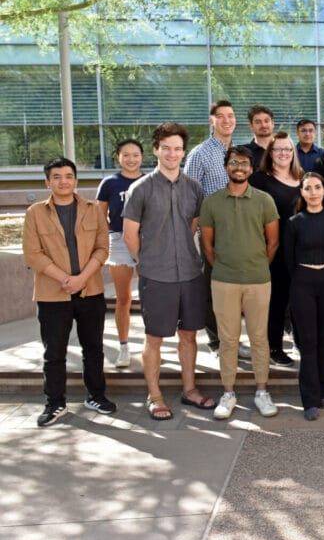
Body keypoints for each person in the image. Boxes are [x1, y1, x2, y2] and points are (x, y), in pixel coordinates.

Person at [123, 123, 213, 421]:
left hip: (189, 272)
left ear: (183, 152)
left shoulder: (194, 188)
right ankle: (155, 395)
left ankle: (189, 391)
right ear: (156, 150)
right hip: (156, 275)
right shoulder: (141, 188)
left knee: (189, 335)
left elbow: (193, 227)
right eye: (166, 148)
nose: (172, 154)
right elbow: (130, 234)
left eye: (177, 148)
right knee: (154, 338)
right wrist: (145, 260)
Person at [24, 157, 114, 427]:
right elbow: (32, 254)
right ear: (47, 181)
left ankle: (96, 396)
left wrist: (83, 277)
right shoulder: (35, 213)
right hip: (52, 294)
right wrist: (65, 278)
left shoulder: (92, 209)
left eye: (68, 176)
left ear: (75, 179)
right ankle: (55, 402)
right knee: (54, 352)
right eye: (56, 176)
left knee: (94, 348)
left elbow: (102, 247)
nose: (63, 181)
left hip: (90, 291)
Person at [200, 146, 280, 420]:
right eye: (234, 162)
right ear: (226, 167)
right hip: (224, 280)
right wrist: (225, 266)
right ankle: (229, 393)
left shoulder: (264, 200)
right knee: (228, 340)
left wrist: (256, 265)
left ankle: (261, 392)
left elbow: (273, 242)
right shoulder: (212, 202)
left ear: (251, 168)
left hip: (258, 280)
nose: (239, 167)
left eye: (244, 163)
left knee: (259, 338)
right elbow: (207, 245)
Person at [184, 100, 245, 356]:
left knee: (235, 292)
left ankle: (233, 339)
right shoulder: (199, 154)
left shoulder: (239, 152)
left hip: (239, 234)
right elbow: (188, 196)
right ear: (212, 121)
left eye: (231, 116)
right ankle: (217, 341)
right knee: (213, 289)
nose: (227, 120)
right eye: (221, 116)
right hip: (211, 233)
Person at [283, 173, 324, 420]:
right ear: (302, 192)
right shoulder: (294, 222)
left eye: (318, 187)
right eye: (308, 188)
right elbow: (288, 261)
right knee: (307, 342)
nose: (314, 192)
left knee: (323, 339)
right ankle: (309, 399)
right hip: (303, 285)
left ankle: (323, 389)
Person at [250, 132, 303, 367]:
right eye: (278, 149)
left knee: (300, 301)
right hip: (273, 251)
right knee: (277, 301)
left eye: (288, 149)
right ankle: (274, 347)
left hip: (302, 252)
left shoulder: (303, 178)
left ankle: (301, 342)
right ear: (270, 153)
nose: (283, 153)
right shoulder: (260, 180)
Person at [96, 138, 144, 368]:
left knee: (152, 297)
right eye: (126, 154)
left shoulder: (149, 181)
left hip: (148, 241)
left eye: (135, 154)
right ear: (118, 157)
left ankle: (151, 344)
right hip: (119, 240)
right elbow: (98, 216)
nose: (131, 159)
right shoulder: (109, 183)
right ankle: (124, 346)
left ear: (142, 157)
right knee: (123, 298)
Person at [242, 104, 275, 170]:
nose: (263, 125)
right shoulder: (243, 152)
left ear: (273, 123)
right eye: (258, 122)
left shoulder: (284, 150)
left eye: (266, 121)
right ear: (251, 126)